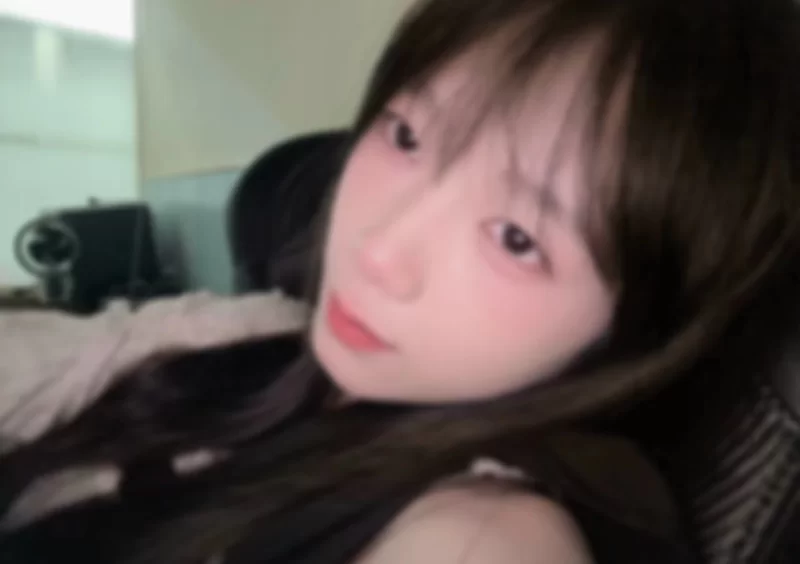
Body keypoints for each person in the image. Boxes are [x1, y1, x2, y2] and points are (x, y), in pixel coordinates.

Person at [1, 0, 799, 562]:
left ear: (632, 327)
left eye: (517, 238)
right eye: (408, 135)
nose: (377, 250)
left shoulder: (484, 533)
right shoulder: (253, 331)